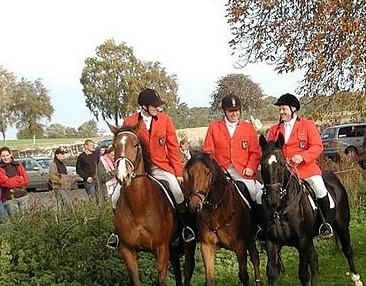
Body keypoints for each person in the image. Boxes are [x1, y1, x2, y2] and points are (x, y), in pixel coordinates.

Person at [107, 88, 194, 248]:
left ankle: (185, 228)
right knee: (114, 197)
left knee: (177, 191)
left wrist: (178, 172)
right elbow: (124, 148)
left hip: (160, 166)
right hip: (137, 169)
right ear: (144, 106)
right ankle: (117, 233)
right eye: (154, 106)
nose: (157, 108)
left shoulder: (165, 120)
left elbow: (173, 147)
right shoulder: (129, 121)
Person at [266, 93, 333, 238]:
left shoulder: (307, 125)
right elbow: (269, 150)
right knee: (266, 192)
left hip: (306, 169)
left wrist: (302, 156)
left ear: (293, 109)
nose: (281, 112)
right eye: (280, 109)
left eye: (283, 109)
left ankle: (325, 224)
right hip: (283, 172)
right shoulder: (274, 130)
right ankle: (267, 226)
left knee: (320, 188)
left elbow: (317, 146)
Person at [203, 94, 264, 236]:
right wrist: (216, 169)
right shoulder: (214, 127)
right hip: (220, 171)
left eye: (236, 111)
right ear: (224, 111)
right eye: (230, 111)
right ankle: (203, 228)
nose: (234, 114)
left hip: (243, 171)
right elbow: (208, 151)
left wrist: (250, 167)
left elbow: (255, 152)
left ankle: (258, 226)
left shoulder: (248, 128)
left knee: (255, 193)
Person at [0, 147, 29, 216]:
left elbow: (25, 180)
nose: (6, 158)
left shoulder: (18, 165)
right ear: (0, 156)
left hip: (22, 195)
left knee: (26, 219)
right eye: (3, 156)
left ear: (10, 155)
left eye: (7, 155)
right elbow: (7, 183)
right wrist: (18, 178)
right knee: (15, 219)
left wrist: (11, 180)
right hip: (9, 198)